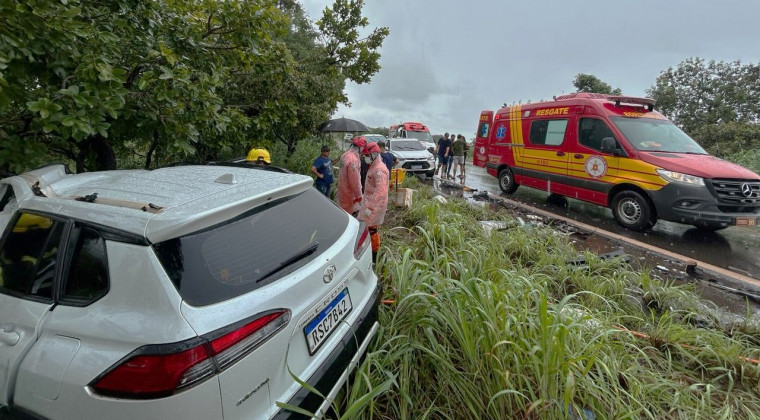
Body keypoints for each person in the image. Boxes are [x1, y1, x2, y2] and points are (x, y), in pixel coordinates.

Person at [358, 142, 389, 264]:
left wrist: (369, 208)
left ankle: (375, 255)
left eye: (367, 155)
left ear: (374, 154)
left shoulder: (379, 169)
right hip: (370, 203)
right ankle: (370, 249)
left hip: (375, 205)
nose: (365, 158)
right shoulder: (373, 165)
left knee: (372, 229)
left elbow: (380, 192)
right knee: (368, 227)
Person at [337, 137, 366, 216]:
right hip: (349, 195)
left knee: (342, 213)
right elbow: (354, 181)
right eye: (363, 147)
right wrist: (359, 196)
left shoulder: (345, 155)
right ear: (360, 147)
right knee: (348, 217)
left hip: (342, 191)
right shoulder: (353, 160)